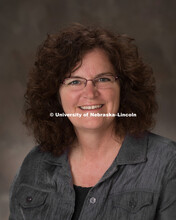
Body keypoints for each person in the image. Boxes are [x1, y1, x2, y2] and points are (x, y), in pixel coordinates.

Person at [9, 23, 176, 220]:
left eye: (103, 79)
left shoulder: (167, 162)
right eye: (74, 81)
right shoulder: (35, 164)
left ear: (124, 88)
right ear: (55, 95)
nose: (90, 93)